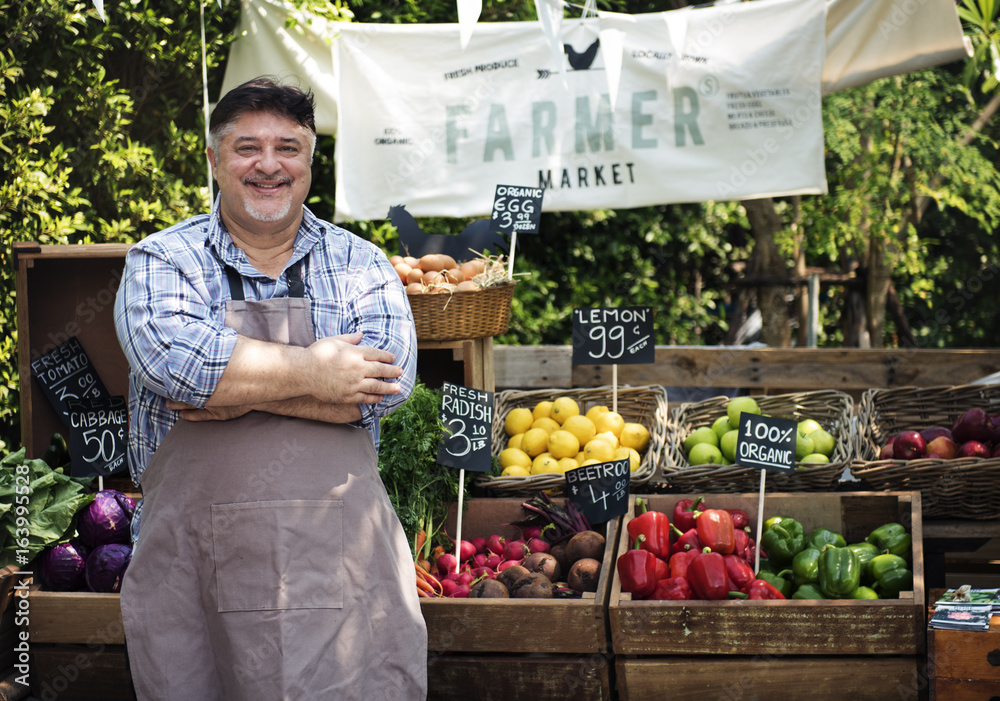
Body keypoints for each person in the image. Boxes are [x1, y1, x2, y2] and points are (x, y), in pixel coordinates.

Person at [113, 76, 427, 700]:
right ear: (215, 158)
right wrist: (319, 374)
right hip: (191, 566)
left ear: (310, 160)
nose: (268, 165)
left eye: (287, 147)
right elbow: (175, 365)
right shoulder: (163, 260)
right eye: (246, 147)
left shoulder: (362, 264)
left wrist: (232, 388)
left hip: (343, 564)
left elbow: (384, 387)